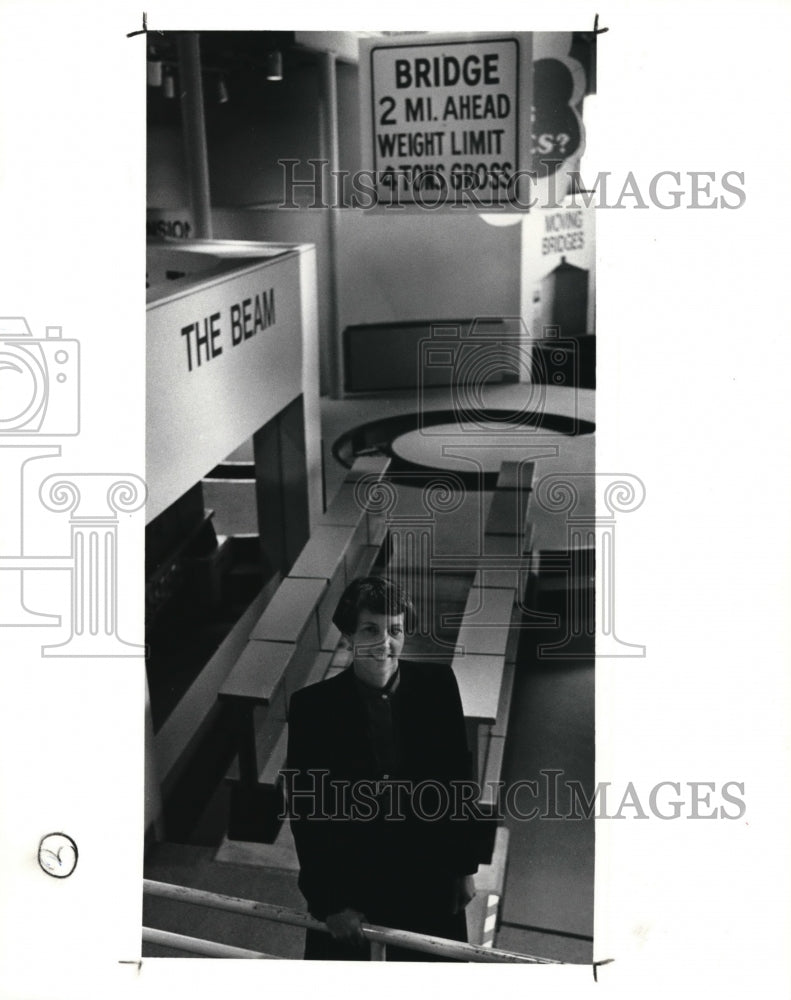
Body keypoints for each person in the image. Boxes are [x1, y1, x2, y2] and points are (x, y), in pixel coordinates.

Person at [285, 576, 480, 961]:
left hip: (429, 872)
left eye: (395, 630)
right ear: (349, 637)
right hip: (354, 879)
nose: (385, 643)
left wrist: (463, 867)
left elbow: (458, 781)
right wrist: (330, 902)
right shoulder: (312, 707)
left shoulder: (438, 685)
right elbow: (307, 812)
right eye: (370, 629)